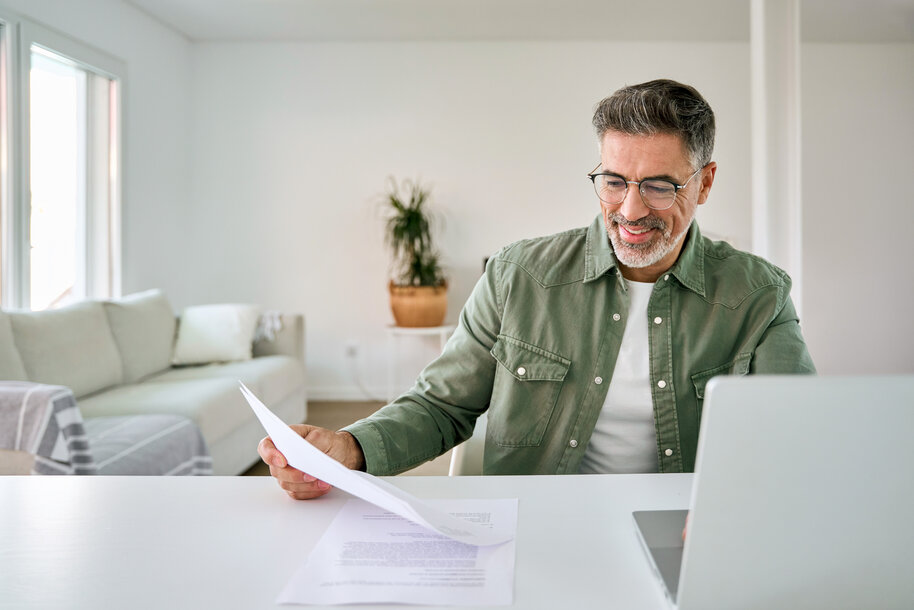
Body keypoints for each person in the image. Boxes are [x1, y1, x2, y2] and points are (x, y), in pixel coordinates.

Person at [258, 79, 816, 500]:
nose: (630, 209)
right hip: (535, 522)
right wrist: (349, 451)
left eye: (660, 186)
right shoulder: (517, 274)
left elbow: (797, 437)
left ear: (706, 181)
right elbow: (441, 405)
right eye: (614, 181)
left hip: (686, 532)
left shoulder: (758, 295)